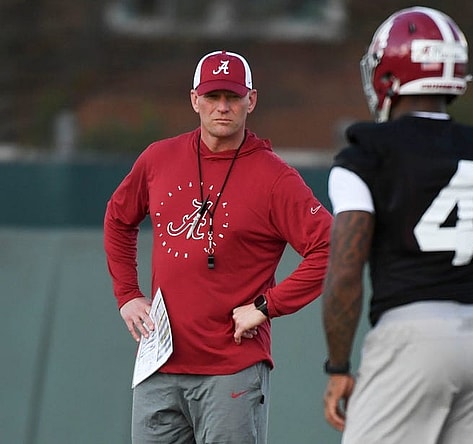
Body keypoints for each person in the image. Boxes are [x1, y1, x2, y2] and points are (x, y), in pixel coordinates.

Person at [320, 7, 473, 444]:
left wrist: (338, 366)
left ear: (389, 74)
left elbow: (344, 272)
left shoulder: (367, 153)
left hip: (411, 333)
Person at [104, 50, 332, 444]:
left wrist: (266, 307)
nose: (222, 107)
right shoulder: (159, 158)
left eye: (233, 97)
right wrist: (127, 294)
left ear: (251, 100)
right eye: (212, 97)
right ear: (195, 100)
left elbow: (330, 249)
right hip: (160, 366)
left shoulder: (275, 177)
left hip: (232, 371)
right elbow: (118, 218)